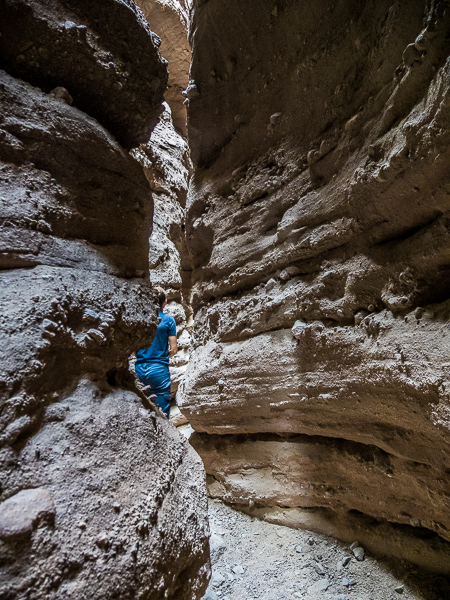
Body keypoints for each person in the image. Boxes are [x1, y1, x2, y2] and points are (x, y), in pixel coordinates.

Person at [135, 287, 177, 418]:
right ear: (165, 302)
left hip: (140, 369)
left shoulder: (139, 319)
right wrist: (163, 355)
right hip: (159, 370)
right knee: (162, 414)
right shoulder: (168, 320)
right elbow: (174, 349)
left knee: (142, 412)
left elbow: (131, 351)